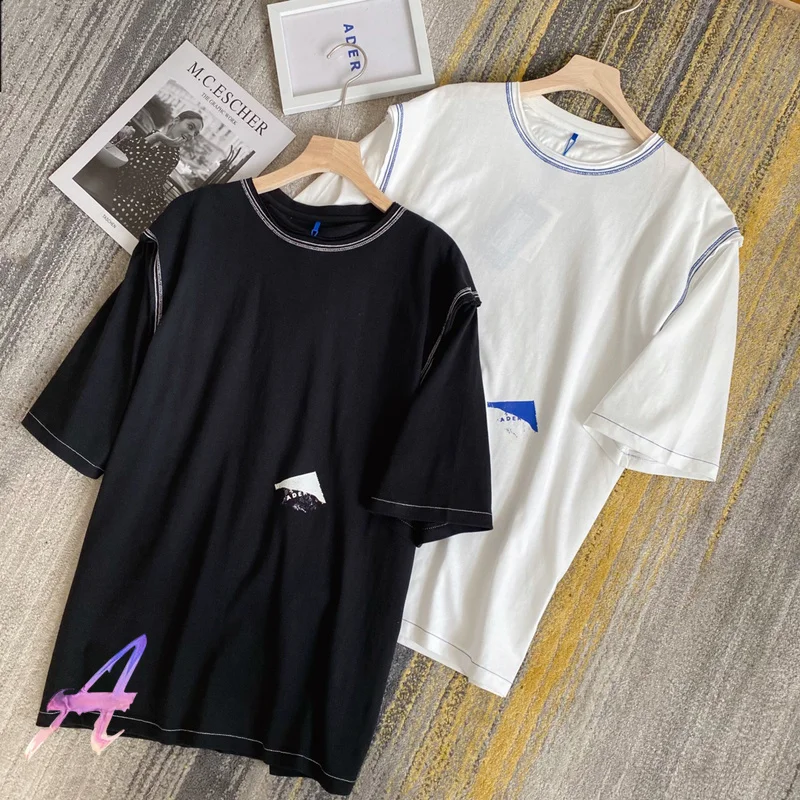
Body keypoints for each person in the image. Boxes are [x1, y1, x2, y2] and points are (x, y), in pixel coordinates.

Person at [109, 110, 203, 235]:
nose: (191, 135)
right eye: (190, 127)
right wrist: (123, 137)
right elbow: (126, 152)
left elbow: (128, 164)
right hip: (121, 186)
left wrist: (155, 137)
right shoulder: (155, 134)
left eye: (195, 133)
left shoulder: (171, 156)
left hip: (136, 203)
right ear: (176, 120)